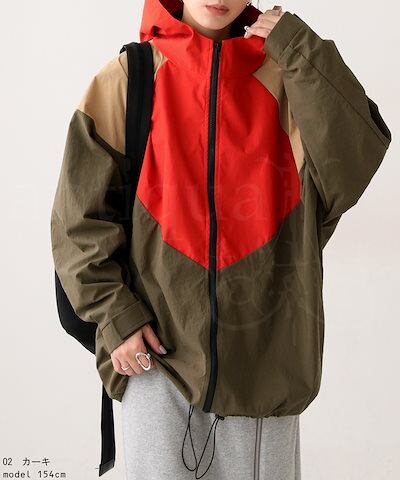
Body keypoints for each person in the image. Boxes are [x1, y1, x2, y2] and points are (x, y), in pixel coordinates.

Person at [50, 0, 391, 479]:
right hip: (155, 363)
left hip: (265, 366)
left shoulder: (288, 74)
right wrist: (116, 317)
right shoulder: (129, 78)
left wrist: (299, 48)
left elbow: (352, 166)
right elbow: (77, 220)